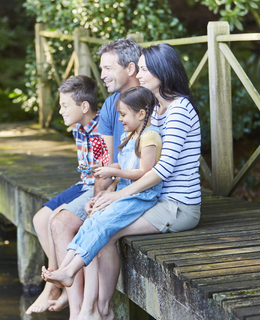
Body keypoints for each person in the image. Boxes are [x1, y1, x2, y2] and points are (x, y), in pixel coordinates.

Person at [80, 43, 202, 320]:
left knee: (107, 233)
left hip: (178, 207)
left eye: (145, 69)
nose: (140, 73)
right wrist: (107, 193)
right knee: (99, 219)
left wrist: (117, 196)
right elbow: (134, 163)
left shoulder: (179, 110)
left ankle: (101, 311)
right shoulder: (156, 109)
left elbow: (161, 170)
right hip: (154, 198)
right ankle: (95, 310)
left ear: (163, 70)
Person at [48, 38, 143, 319]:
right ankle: (78, 310)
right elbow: (105, 159)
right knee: (56, 221)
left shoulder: (147, 101)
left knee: (72, 223)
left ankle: (92, 310)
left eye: (107, 68)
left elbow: (132, 162)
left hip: (130, 187)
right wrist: (99, 195)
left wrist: (102, 194)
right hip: (107, 184)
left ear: (130, 68)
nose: (101, 76)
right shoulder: (113, 103)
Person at [42, 86, 163, 291]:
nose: (120, 120)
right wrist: (108, 168)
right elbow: (126, 165)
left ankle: (70, 272)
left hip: (140, 196)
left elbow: (145, 172)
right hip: (125, 192)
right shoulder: (132, 134)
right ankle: (64, 268)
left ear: (141, 114)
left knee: (103, 224)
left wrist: (114, 173)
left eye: (123, 115)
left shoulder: (150, 136)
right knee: (92, 220)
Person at [26, 75, 102, 314]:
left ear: (84, 106)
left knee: (58, 220)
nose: (60, 111)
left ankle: (58, 289)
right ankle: (58, 282)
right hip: (83, 183)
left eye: (64, 105)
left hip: (97, 186)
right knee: (40, 219)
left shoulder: (102, 130)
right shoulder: (78, 127)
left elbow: (106, 175)